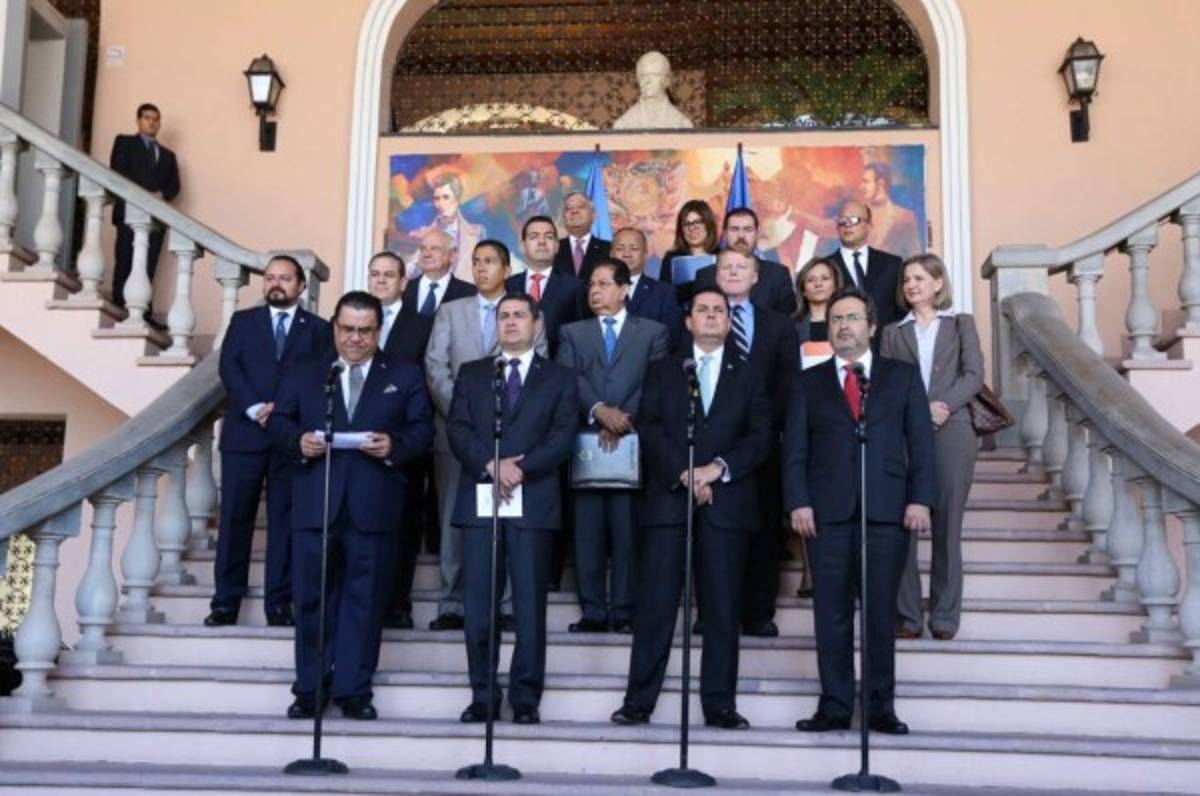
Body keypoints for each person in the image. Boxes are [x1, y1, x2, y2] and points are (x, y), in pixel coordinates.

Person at [611, 287, 770, 731]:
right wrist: (684, 471)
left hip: (727, 502)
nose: (712, 316)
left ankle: (719, 706)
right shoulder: (665, 369)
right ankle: (638, 702)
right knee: (656, 606)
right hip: (669, 499)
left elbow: (760, 435)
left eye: (720, 310)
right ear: (688, 321)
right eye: (703, 310)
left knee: (721, 610)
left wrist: (716, 470)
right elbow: (650, 426)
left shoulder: (751, 370)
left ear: (729, 320)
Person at [270, 291, 433, 720]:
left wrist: (394, 445)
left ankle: (355, 690)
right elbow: (281, 422)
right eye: (347, 329)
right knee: (311, 601)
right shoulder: (306, 371)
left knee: (365, 600)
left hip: (374, 505)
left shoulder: (404, 373)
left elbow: (424, 432)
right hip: (315, 502)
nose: (356, 339)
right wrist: (297, 441)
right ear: (334, 328)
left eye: (365, 331)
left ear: (379, 331)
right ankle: (310, 688)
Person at [785, 286, 934, 736]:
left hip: (886, 510)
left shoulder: (901, 376)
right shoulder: (807, 382)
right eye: (835, 320)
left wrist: (920, 498)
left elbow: (922, 444)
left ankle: (878, 707)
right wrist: (798, 500)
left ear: (872, 326)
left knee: (878, 614)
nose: (842, 326)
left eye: (851, 318)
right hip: (826, 514)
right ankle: (833, 706)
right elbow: (794, 448)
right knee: (829, 613)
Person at [448, 293, 578, 725]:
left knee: (528, 605)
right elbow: (459, 429)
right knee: (480, 607)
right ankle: (482, 695)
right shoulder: (472, 374)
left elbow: (563, 436)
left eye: (519, 316)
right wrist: (491, 464)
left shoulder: (559, 377)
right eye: (503, 316)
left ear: (536, 325)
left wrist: (521, 470)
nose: (510, 323)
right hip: (481, 499)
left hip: (533, 500)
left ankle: (525, 697)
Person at [426, 240, 546, 631]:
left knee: (511, 520)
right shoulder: (450, 311)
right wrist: (465, 415)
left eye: (490, 261)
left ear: (507, 267)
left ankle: (508, 604)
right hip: (456, 437)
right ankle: (452, 602)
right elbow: (435, 367)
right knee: (454, 520)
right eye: (475, 262)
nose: (480, 268)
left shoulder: (525, 314)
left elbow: (536, 370)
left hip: (514, 445)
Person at [207, 255, 329, 628]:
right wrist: (256, 406)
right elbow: (230, 367)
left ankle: (279, 603)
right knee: (234, 520)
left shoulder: (320, 329)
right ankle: (225, 602)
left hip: (290, 439)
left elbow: (319, 378)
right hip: (245, 435)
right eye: (270, 278)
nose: (276, 284)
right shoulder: (243, 322)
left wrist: (282, 412)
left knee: (285, 522)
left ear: (301, 285)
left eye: (285, 278)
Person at [557, 258, 669, 633]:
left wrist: (623, 418)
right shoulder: (572, 332)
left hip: (633, 442)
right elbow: (568, 379)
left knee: (626, 530)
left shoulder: (653, 332)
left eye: (604, 284)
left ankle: (624, 608)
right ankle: (592, 610)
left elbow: (655, 383)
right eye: (591, 284)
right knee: (587, 530)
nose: (595, 291)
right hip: (587, 442)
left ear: (624, 290)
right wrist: (599, 410)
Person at [882, 254, 983, 641]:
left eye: (920, 278)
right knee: (903, 522)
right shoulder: (893, 332)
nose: (911, 285)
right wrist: (918, 411)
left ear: (938, 283)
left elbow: (974, 374)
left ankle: (944, 616)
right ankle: (908, 615)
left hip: (953, 429)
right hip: (904, 432)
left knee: (947, 526)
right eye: (907, 279)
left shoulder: (960, 325)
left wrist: (944, 406)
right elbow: (889, 382)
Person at [709, 248, 798, 637]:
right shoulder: (700, 319)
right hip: (711, 446)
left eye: (740, 267)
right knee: (712, 533)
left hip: (763, 444)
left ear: (756, 276)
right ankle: (710, 611)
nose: (732, 272)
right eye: (726, 267)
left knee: (762, 531)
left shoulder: (778, 325)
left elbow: (789, 383)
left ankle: (758, 611)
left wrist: (764, 426)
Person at [365, 251, 436, 630]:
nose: (380, 281)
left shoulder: (423, 324)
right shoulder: (347, 321)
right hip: (356, 447)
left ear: (403, 283)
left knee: (405, 529)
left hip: (405, 444)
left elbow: (426, 381)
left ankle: (397, 605)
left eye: (388, 275)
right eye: (374, 274)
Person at [109, 102, 181, 321]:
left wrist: (161, 195)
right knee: (125, 260)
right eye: (147, 118)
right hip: (129, 213)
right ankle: (120, 307)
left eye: (156, 119)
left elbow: (175, 185)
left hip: (156, 219)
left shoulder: (168, 155)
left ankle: (144, 313)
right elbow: (117, 172)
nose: (152, 122)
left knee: (149, 265)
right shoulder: (124, 143)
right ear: (138, 120)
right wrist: (143, 194)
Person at [695, 207, 798, 317]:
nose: (741, 236)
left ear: (757, 233)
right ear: (724, 233)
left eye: (748, 229)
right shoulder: (706, 276)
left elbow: (786, 323)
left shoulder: (778, 274)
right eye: (734, 229)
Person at [509, 215, 582, 359]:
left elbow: (581, 337)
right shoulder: (508, 285)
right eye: (534, 236)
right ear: (522, 246)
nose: (542, 242)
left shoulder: (574, 287)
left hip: (559, 371)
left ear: (556, 246)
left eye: (548, 237)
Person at [828, 200, 904, 335]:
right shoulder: (825, 268)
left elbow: (902, 312)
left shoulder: (893, 264)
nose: (847, 225)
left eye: (854, 220)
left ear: (869, 225)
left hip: (885, 348)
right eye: (842, 221)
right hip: (842, 346)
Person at [610, 226, 683, 348]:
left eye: (634, 248)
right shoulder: (597, 290)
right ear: (611, 254)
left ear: (645, 254)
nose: (627, 254)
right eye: (620, 248)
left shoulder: (664, 292)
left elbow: (671, 338)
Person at [413, 173, 485, 283]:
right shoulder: (423, 235)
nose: (440, 204)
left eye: (446, 197)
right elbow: (412, 271)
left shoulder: (477, 233)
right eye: (437, 198)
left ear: (457, 199)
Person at [400, 229, 476, 318]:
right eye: (423, 249)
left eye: (435, 249)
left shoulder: (470, 294)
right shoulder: (402, 290)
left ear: (452, 255)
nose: (427, 254)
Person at [612, 51, 695, 130]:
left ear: (667, 80)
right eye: (643, 75)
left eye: (655, 75)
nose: (648, 81)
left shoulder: (682, 124)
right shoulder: (623, 124)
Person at [661, 200, 720, 308]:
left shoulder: (722, 257)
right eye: (686, 224)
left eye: (698, 222)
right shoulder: (671, 259)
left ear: (709, 224)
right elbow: (664, 297)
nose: (692, 228)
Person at [794, 256, 843, 369]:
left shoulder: (847, 323)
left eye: (825, 278)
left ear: (835, 286)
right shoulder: (792, 327)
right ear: (803, 290)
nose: (818, 284)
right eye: (811, 280)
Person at [862, 162, 920, 258]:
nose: (861, 186)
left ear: (881, 183)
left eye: (866, 181)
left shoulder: (905, 217)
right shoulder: (856, 215)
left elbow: (914, 257)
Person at [552, 193, 611, 281]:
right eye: (568, 208)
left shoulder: (609, 249)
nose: (574, 211)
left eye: (580, 206)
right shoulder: (553, 249)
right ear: (564, 217)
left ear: (593, 215)